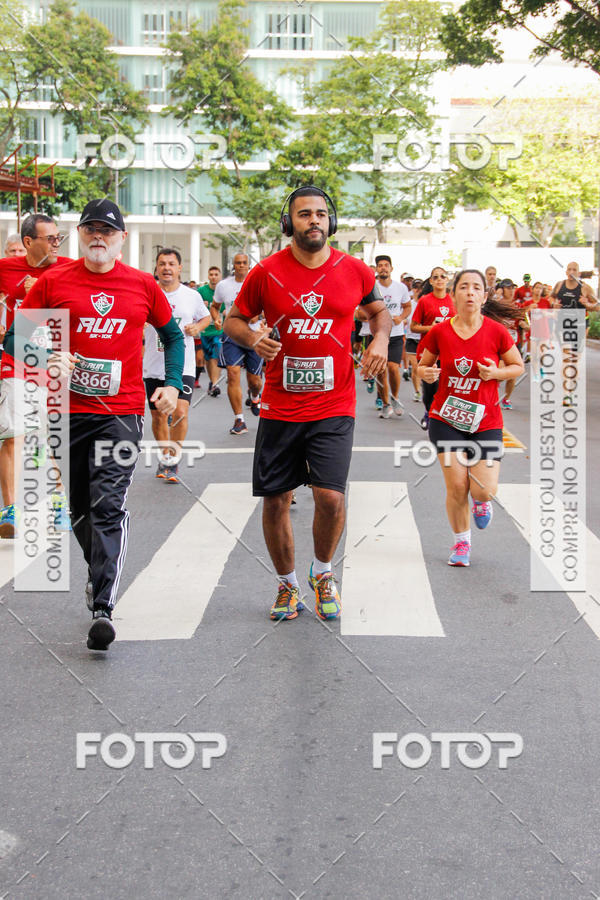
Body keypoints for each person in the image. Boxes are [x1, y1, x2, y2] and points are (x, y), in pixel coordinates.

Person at [4, 199, 184, 651]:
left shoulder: (142, 285)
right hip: (65, 412)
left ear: (122, 239)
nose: (99, 236)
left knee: (107, 504)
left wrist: (173, 385)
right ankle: (97, 571)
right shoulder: (53, 280)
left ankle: (103, 605)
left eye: (108, 230)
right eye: (91, 229)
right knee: (80, 508)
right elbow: (14, 337)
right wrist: (46, 355)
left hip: (120, 412)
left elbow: (173, 335)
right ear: (80, 235)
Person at [224, 185, 391, 621]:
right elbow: (233, 320)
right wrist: (253, 337)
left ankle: (322, 573)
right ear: (289, 222)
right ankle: (286, 584)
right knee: (276, 499)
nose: (313, 220)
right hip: (280, 406)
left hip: (335, 404)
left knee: (330, 498)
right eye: (303, 214)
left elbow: (379, 312)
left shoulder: (353, 270)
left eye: (320, 214)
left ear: (330, 222)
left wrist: (382, 338)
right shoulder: (266, 272)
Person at [417, 269, 525, 567]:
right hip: (446, 418)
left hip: (486, 420)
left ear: (484, 296)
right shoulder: (439, 331)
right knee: (456, 486)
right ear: (453, 295)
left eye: (476, 288)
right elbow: (422, 366)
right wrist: (425, 373)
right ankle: (461, 543)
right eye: (463, 287)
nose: (469, 292)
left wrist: (497, 374)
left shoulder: (496, 331)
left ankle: (482, 501)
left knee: (483, 489)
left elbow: (517, 366)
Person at [0, 214, 70, 536]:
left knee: (52, 438)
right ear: (29, 243)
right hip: (16, 358)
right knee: (12, 434)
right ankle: (10, 510)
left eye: (59, 238)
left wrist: (41, 292)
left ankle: (59, 504)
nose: (57, 244)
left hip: (55, 361)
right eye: (51, 239)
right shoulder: (7, 269)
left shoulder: (68, 269)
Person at [143, 248, 210, 483]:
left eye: (171, 264)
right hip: (153, 364)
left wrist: (197, 328)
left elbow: (206, 317)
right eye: (162, 263)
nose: (166, 268)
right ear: (157, 268)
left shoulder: (190, 296)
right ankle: (164, 455)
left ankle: (173, 458)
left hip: (184, 365)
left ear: (179, 268)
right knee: (159, 416)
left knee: (180, 412)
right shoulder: (148, 293)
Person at [214, 253, 263, 435]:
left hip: (254, 336)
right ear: (233, 265)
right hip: (232, 335)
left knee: (255, 381)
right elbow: (215, 305)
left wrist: (261, 316)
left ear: (249, 265)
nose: (241, 266)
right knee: (233, 374)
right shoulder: (224, 285)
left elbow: (269, 307)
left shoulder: (257, 282)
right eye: (238, 263)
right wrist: (217, 318)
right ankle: (239, 419)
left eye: (244, 263)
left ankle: (255, 396)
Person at [409, 267, 455, 429]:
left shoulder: (454, 301)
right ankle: (429, 411)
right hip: (428, 352)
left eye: (443, 276)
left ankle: (444, 419)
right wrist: (431, 328)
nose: (440, 279)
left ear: (447, 279)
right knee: (430, 388)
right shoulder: (424, 301)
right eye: (436, 277)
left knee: (449, 387)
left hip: (450, 352)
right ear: (431, 281)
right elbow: (414, 327)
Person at [373, 254, 411, 418]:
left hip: (396, 334)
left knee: (393, 368)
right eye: (380, 265)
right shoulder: (372, 286)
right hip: (378, 334)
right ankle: (385, 404)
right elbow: (362, 309)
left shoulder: (400, 288)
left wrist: (401, 318)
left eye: (386, 265)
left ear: (391, 268)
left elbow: (407, 307)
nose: (383, 268)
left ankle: (395, 398)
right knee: (380, 370)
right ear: (376, 269)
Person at [197, 266, 223, 396]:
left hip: (219, 331)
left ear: (220, 276)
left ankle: (215, 383)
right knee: (208, 359)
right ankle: (213, 382)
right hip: (205, 330)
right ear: (208, 276)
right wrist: (203, 305)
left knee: (215, 356)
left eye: (216, 274)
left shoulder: (223, 290)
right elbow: (195, 308)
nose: (213, 276)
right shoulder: (201, 291)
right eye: (211, 274)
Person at [404, 278, 423, 400]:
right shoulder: (410, 304)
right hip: (411, 338)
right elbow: (405, 318)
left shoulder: (426, 303)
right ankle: (417, 391)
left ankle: (425, 387)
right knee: (415, 367)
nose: (417, 289)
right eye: (415, 287)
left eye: (420, 287)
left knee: (424, 367)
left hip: (424, 339)